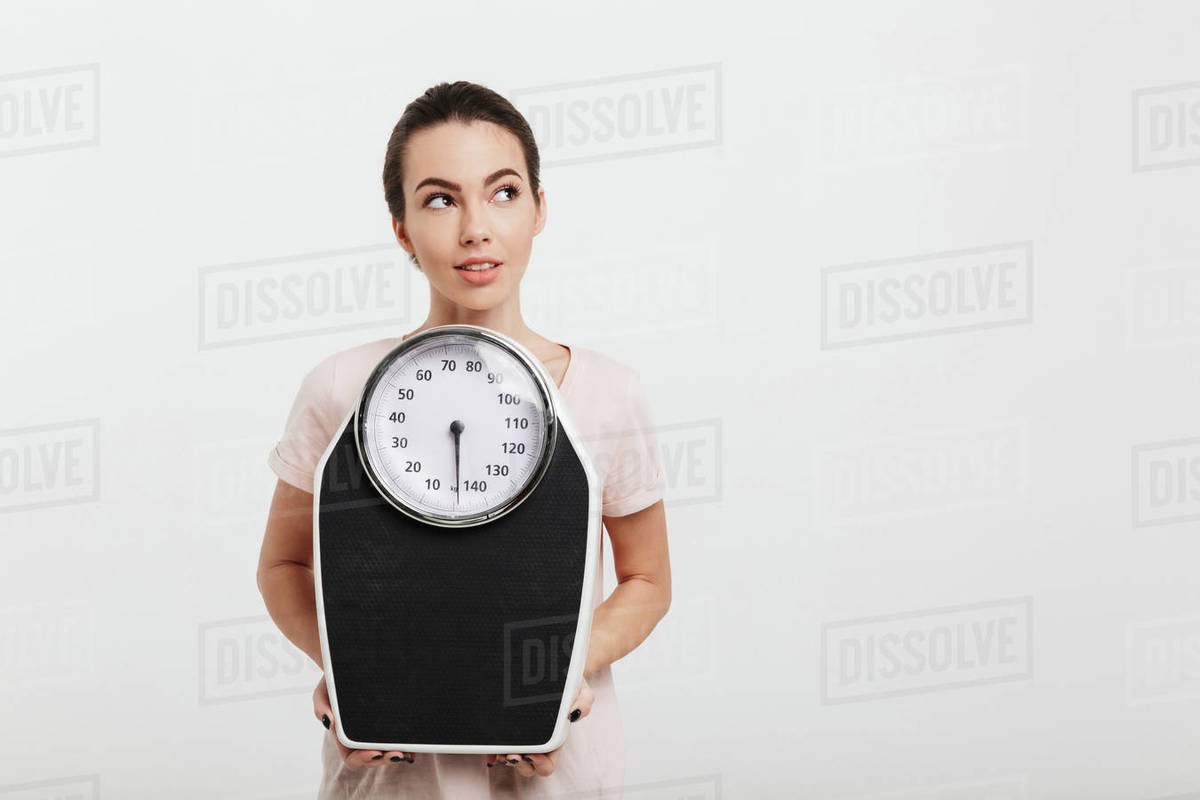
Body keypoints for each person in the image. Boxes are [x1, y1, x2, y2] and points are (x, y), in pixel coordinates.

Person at [256, 80, 673, 799]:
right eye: (440, 199)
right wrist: (356, 672)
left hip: (554, 772)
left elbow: (648, 581)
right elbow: (283, 565)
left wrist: (559, 676)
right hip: (392, 779)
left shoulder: (608, 392)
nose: (476, 228)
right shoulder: (338, 389)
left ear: (540, 209)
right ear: (400, 226)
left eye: (504, 192)